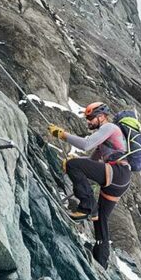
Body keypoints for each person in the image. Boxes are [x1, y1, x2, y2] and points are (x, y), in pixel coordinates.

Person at [48, 101, 132, 268]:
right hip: (122, 178)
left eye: (91, 118)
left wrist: (62, 135)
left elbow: (86, 145)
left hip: (116, 173)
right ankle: (102, 260)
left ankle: (87, 206)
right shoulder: (106, 136)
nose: (88, 122)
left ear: (101, 117)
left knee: (74, 166)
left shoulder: (109, 128)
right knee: (101, 218)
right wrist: (75, 161)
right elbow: (92, 161)